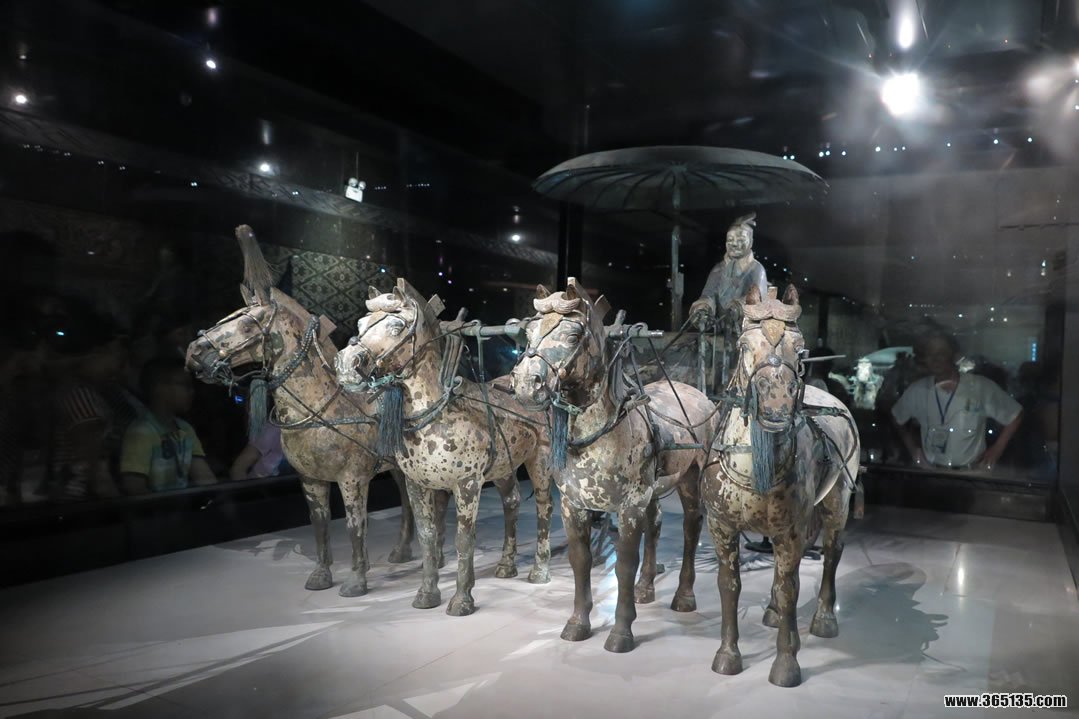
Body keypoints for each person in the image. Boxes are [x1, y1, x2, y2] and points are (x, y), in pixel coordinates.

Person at [891, 332, 1022, 471]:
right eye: (930, 354)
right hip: (931, 472)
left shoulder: (980, 387)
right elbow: (896, 417)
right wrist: (913, 449)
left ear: (954, 356)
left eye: (941, 353)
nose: (935, 359)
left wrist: (997, 450)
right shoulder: (918, 389)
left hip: (971, 472)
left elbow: (1015, 415)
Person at [120, 358, 216, 493]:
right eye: (185, 385)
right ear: (159, 388)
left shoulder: (185, 429)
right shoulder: (141, 432)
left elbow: (205, 478)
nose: (192, 392)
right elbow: (134, 487)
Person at [688, 212, 769, 329]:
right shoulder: (718, 269)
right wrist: (703, 307)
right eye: (730, 239)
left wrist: (738, 307)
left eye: (741, 239)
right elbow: (708, 295)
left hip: (748, 331)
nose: (734, 244)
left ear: (751, 242)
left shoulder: (756, 269)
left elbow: (758, 300)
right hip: (720, 331)